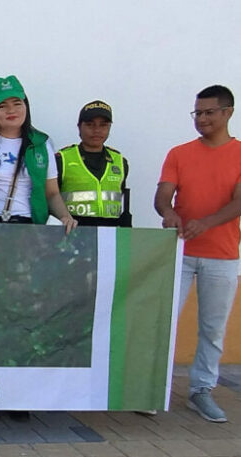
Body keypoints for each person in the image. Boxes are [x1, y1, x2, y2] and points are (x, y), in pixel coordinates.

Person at [0, 75, 76, 422]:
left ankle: (17, 393)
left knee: (23, 311)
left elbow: (52, 193)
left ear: (26, 106)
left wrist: (65, 216)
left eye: (17, 103)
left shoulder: (41, 145)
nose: (11, 110)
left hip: (28, 232)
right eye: (3, 105)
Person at [155, 84, 241, 423]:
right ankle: (152, 388)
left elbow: (238, 202)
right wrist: (168, 213)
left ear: (227, 113)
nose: (202, 119)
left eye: (208, 113)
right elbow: (163, 195)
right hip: (178, 253)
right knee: (163, 321)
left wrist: (205, 223)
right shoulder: (179, 153)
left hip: (222, 255)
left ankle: (201, 390)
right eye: (197, 113)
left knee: (212, 329)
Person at [56, 101, 132, 227]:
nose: (97, 130)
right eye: (90, 125)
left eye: (103, 125)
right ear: (79, 127)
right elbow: (51, 198)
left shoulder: (120, 161)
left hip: (110, 232)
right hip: (73, 231)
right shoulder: (62, 159)